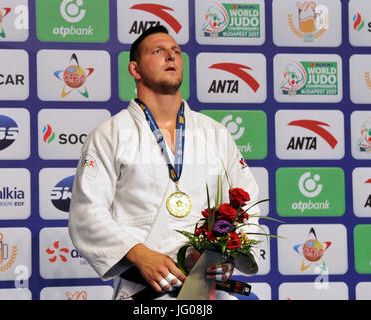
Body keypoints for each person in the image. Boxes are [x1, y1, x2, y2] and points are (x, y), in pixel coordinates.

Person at [68, 26, 260, 300]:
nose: (171, 57)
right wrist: (138, 252)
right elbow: (87, 212)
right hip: (144, 291)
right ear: (135, 70)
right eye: (158, 51)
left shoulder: (215, 133)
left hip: (209, 292)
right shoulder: (109, 135)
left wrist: (227, 252)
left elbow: (247, 199)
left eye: (176, 52)